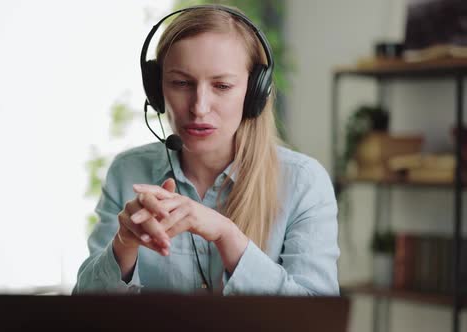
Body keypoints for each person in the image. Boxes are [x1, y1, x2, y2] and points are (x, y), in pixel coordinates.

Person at [73, 5, 339, 295]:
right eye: (181, 83)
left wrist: (228, 237)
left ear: (254, 93)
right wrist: (124, 245)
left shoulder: (303, 183)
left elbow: (314, 318)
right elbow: (84, 311)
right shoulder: (128, 172)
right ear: (156, 89)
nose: (199, 107)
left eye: (222, 86)